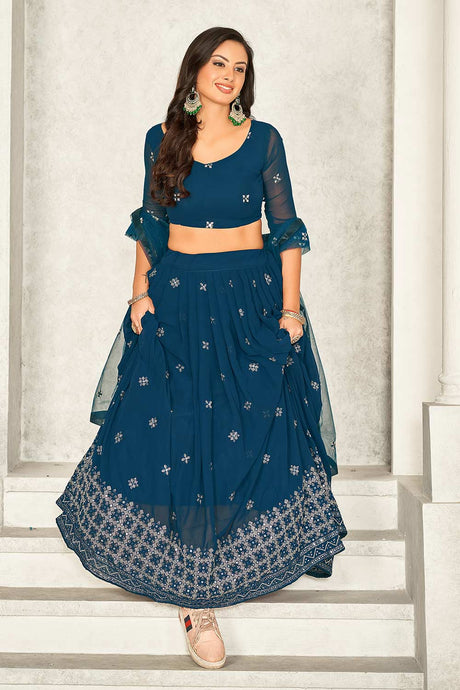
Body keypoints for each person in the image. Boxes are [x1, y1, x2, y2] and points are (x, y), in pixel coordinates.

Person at [55, 26, 348, 670]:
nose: (229, 76)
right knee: (178, 431)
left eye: (240, 68)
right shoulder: (161, 141)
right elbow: (151, 223)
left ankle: (227, 567)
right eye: (219, 63)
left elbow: (286, 230)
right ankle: (196, 602)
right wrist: (139, 293)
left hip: (248, 298)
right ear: (195, 71)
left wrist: (290, 312)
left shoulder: (264, 141)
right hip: (179, 297)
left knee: (249, 428)